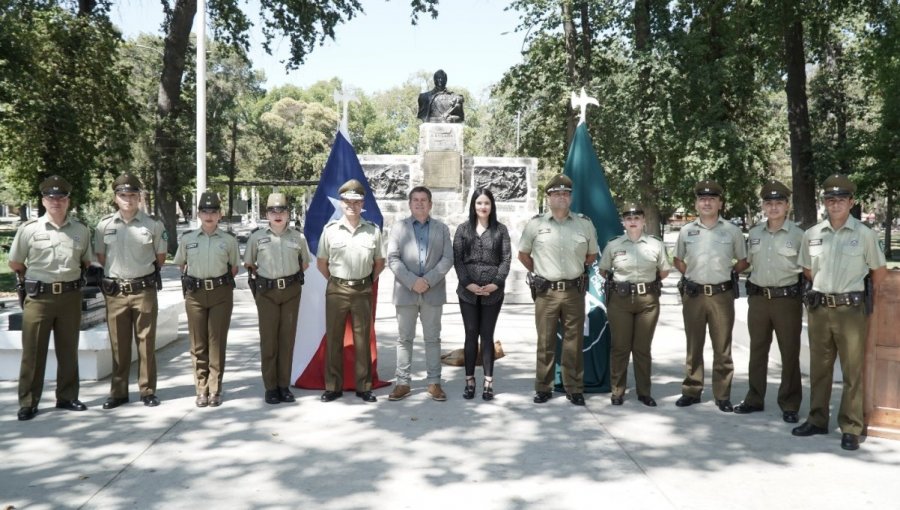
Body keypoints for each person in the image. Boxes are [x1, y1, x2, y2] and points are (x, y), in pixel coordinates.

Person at [792, 174, 887, 451]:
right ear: (824, 203)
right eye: (830, 200)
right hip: (820, 308)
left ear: (851, 202)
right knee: (819, 369)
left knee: (852, 371)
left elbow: (878, 273)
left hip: (850, 311)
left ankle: (851, 426)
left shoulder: (865, 235)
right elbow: (808, 270)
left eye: (841, 200)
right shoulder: (812, 234)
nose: (835, 205)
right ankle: (817, 419)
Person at [9, 176, 93, 421]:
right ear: (44, 201)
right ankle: (28, 401)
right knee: (33, 352)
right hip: (39, 298)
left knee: (68, 350)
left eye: (61, 198)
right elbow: (15, 263)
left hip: (70, 296)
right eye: (51, 198)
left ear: (68, 201)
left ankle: (67, 396)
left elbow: (87, 261)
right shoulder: (30, 230)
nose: (56, 202)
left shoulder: (80, 230)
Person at [518, 174, 599, 406]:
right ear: (549, 197)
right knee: (545, 342)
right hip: (546, 292)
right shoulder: (536, 224)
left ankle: (574, 388)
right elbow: (523, 254)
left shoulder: (584, 223)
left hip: (574, 291)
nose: (561, 197)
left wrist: (575, 268)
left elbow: (592, 255)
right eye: (557, 193)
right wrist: (541, 271)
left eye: (565, 193)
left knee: (573, 342)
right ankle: (544, 387)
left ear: (571, 197)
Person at [673, 180, 748, 412]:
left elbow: (743, 260)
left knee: (722, 347)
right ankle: (692, 390)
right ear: (696, 204)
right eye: (702, 199)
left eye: (712, 199)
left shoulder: (732, 230)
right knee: (694, 345)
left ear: (720, 203)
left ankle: (722, 394)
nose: (707, 202)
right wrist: (693, 276)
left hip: (721, 295)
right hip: (694, 295)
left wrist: (726, 273)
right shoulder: (687, 231)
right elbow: (677, 259)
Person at [733, 180, 804, 423]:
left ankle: (790, 403)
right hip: (759, 299)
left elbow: (808, 268)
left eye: (778, 203)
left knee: (789, 352)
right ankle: (754, 398)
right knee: (757, 350)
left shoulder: (799, 235)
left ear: (787, 205)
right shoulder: (754, 234)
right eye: (769, 203)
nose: (773, 207)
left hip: (787, 300)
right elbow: (746, 263)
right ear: (763, 206)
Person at [95, 174, 167, 409]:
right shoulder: (104, 225)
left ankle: (147, 390)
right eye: (123, 195)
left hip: (143, 290)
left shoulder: (153, 225)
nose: (128, 199)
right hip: (115, 292)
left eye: (133, 195)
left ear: (140, 198)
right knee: (119, 344)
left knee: (146, 342)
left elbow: (160, 257)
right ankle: (118, 392)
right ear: (116, 198)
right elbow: (101, 257)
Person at [317, 179, 386, 403]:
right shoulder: (330, 231)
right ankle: (332, 387)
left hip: (363, 289)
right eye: (347, 201)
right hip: (337, 288)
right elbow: (322, 263)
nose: (352, 206)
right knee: (334, 339)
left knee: (362, 340)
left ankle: (364, 386)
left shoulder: (372, 231)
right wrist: (339, 281)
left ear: (362, 203)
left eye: (356, 202)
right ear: (341, 203)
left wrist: (365, 281)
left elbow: (379, 263)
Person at [598, 202, 671, 407]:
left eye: (637, 218)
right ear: (623, 221)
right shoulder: (614, 245)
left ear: (644, 221)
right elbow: (604, 270)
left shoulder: (655, 244)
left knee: (642, 348)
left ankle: (644, 392)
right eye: (629, 218)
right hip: (620, 301)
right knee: (620, 347)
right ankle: (617, 391)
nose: (633, 222)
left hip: (647, 301)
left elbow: (664, 271)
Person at [386, 186, 454, 402]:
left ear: (430, 204)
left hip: (432, 292)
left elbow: (447, 259)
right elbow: (393, 258)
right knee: (404, 338)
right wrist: (412, 281)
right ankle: (402, 383)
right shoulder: (398, 228)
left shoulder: (441, 229)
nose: (419, 203)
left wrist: (427, 280)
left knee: (432, 339)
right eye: (415, 199)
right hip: (406, 292)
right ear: (409, 203)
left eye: (424, 200)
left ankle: (434, 383)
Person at [174, 192, 239, 408]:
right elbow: (181, 265)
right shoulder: (187, 239)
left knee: (216, 342)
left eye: (213, 211)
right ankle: (201, 389)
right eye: (205, 211)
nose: (209, 215)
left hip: (221, 293)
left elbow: (234, 268)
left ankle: (215, 389)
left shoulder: (228, 241)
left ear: (220, 215)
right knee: (198, 343)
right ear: (198, 214)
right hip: (195, 294)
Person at [244, 193, 310, 405]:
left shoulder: (297, 237)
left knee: (287, 340)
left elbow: (304, 264)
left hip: (291, 292)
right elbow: (250, 264)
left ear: (288, 213)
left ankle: (284, 385)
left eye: (281, 210)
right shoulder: (256, 237)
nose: (277, 214)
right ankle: (271, 387)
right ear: (267, 214)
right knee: (269, 340)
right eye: (273, 210)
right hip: (267, 294)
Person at [453, 188, 511, 400]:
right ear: (473, 205)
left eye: (486, 203)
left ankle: (488, 382)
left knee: (487, 336)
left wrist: (496, 283)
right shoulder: (463, 230)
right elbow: (458, 260)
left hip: (492, 293)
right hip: (467, 292)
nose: (483, 207)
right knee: (470, 334)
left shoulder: (501, 230)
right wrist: (467, 283)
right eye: (479, 203)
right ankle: (469, 380)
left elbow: (506, 260)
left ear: (492, 206)